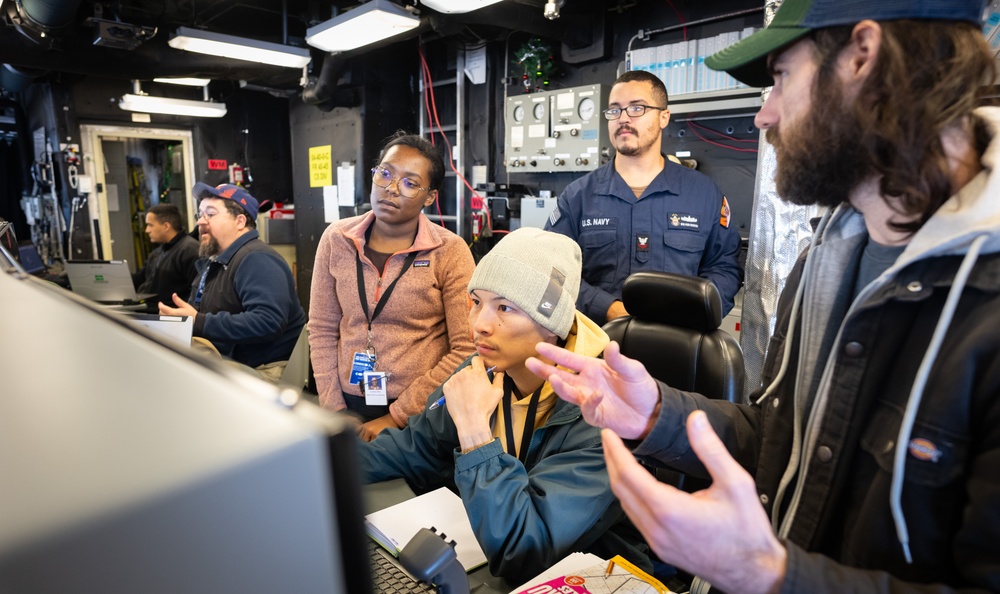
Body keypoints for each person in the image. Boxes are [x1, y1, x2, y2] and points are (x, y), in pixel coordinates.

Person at [526, 0, 1000, 591]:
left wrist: (769, 575)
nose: (763, 116)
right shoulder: (828, 257)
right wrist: (656, 414)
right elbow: (777, 438)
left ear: (862, 57)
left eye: (779, 79)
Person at [359, 228, 650, 583]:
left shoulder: (601, 416)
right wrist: (319, 463)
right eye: (477, 302)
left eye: (505, 307)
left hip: (591, 573)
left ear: (551, 325)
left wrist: (475, 435)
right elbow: (414, 449)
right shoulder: (484, 371)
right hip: (493, 552)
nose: (479, 325)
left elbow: (523, 552)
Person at [309, 132, 476, 441]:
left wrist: (396, 416)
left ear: (430, 197)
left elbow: (466, 349)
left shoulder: (450, 251)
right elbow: (321, 329)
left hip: (421, 411)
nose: (391, 189)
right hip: (345, 403)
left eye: (410, 183)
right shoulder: (336, 239)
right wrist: (332, 408)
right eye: (385, 173)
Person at [545, 70, 743, 325]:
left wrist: (690, 309)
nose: (623, 119)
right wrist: (609, 308)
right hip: (596, 348)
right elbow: (552, 271)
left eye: (637, 108)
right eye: (614, 110)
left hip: (680, 346)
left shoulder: (703, 194)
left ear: (663, 117)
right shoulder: (578, 196)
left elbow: (725, 268)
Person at [160, 182, 305, 381]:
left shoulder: (257, 259)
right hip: (231, 362)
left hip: (265, 371)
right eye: (200, 215)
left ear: (239, 221)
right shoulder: (215, 262)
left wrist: (198, 321)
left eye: (210, 214)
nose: (200, 222)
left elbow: (268, 321)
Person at [132, 203, 199, 312]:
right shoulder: (158, 252)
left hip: (171, 317)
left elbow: (195, 293)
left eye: (150, 225)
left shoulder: (190, 250)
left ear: (166, 226)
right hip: (150, 311)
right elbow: (140, 279)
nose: (147, 230)